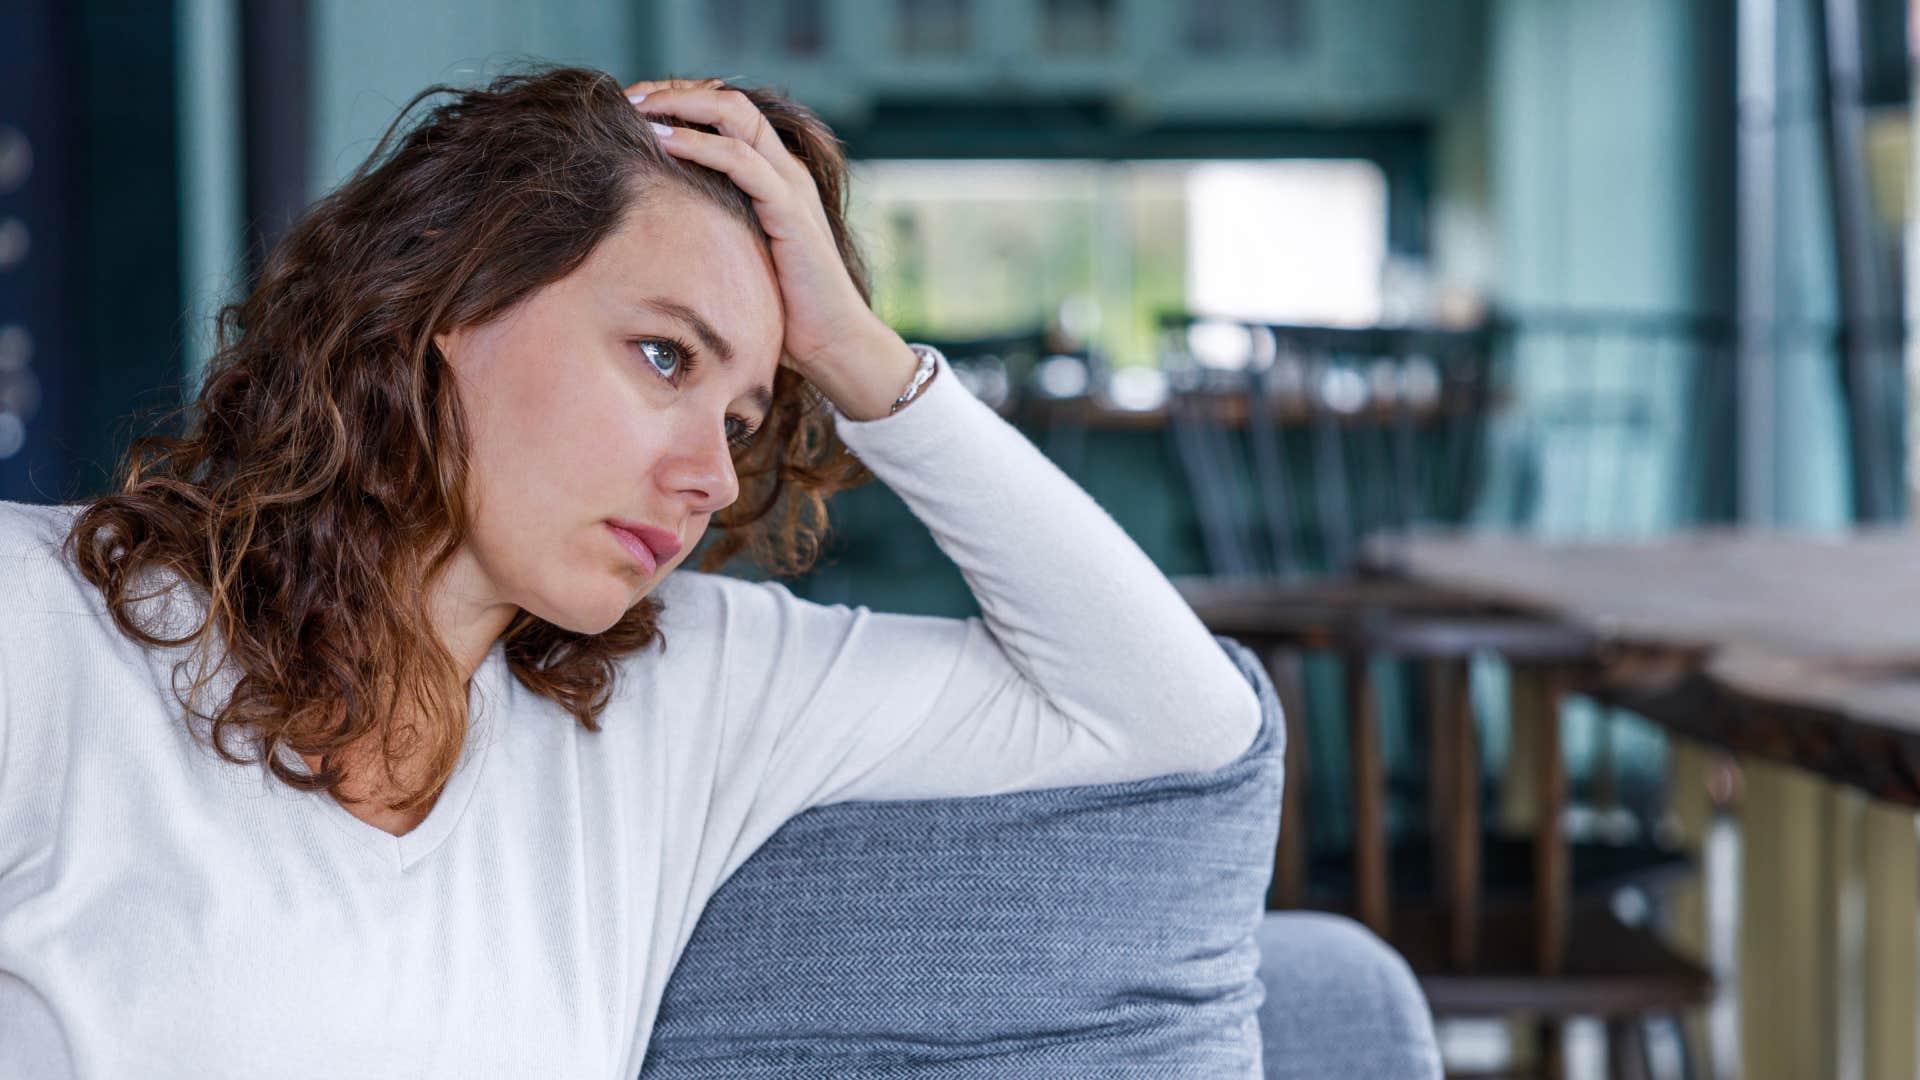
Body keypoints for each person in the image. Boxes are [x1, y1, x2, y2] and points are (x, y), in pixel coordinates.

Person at [0, 66, 1261, 1077]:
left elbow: (1176, 714)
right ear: (447, 305)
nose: (713, 476)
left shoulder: (686, 690)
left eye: (745, 417)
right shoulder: (49, 630)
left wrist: (868, 358)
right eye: (665, 358)